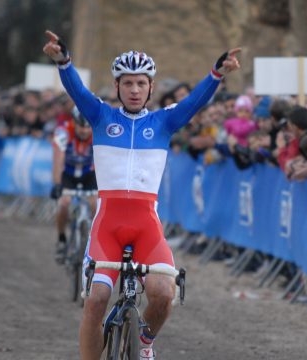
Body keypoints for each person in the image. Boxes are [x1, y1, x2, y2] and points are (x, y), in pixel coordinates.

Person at [43, 30, 241, 360]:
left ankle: (144, 340)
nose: (134, 90)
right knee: (95, 301)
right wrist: (64, 61)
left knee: (164, 294)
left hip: (146, 226)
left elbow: (195, 101)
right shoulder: (100, 116)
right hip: (108, 227)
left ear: (151, 88)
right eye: (128, 83)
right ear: (118, 87)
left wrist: (216, 73)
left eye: (141, 83)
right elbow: (76, 90)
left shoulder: (164, 122)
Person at [50, 107, 97, 264]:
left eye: (87, 127)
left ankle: (94, 240)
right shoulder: (63, 132)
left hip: (89, 173)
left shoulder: (98, 132)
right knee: (64, 203)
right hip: (68, 174)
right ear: (73, 123)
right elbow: (58, 159)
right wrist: (57, 184)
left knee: (95, 203)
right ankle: (62, 239)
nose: (84, 131)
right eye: (80, 126)